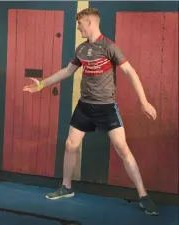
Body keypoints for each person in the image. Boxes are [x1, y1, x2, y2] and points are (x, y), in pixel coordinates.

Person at [22, 8, 159, 215]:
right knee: (70, 145)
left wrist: (144, 102)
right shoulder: (81, 49)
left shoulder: (110, 47)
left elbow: (130, 71)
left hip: (106, 107)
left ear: (89, 23)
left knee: (122, 149)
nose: (78, 28)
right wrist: (42, 85)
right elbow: (67, 71)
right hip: (85, 106)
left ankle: (143, 196)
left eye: (79, 24)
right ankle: (66, 187)